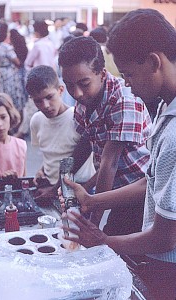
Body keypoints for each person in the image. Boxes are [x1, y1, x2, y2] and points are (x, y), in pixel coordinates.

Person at [60, 9, 176, 300]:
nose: (128, 83)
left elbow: (166, 236)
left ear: (154, 62)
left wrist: (103, 239)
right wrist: (90, 197)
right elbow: (151, 181)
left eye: (129, 74)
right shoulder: (164, 106)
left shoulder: (172, 133)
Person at [58, 35, 152, 236]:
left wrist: (92, 223)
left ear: (102, 73)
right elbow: (87, 143)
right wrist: (64, 182)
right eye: (69, 84)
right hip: (113, 191)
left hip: (140, 193)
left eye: (84, 83)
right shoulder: (86, 99)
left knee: (119, 249)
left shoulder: (124, 100)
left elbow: (109, 163)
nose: (77, 93)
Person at [26, 65, 95, 204]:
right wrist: (42, 170)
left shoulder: (78, 118)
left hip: (80, 188)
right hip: (50, 187)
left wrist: (86, 193)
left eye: (49, 97)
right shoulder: (36, 120)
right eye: (38, 100)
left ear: (60, 90)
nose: (45, 105)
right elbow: (51, 153)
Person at [0, 22, 25, 116]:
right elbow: (17, 62)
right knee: (14, 98)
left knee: (2, 97)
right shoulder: (7, 47)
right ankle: (15, 120)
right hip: (10, 74)